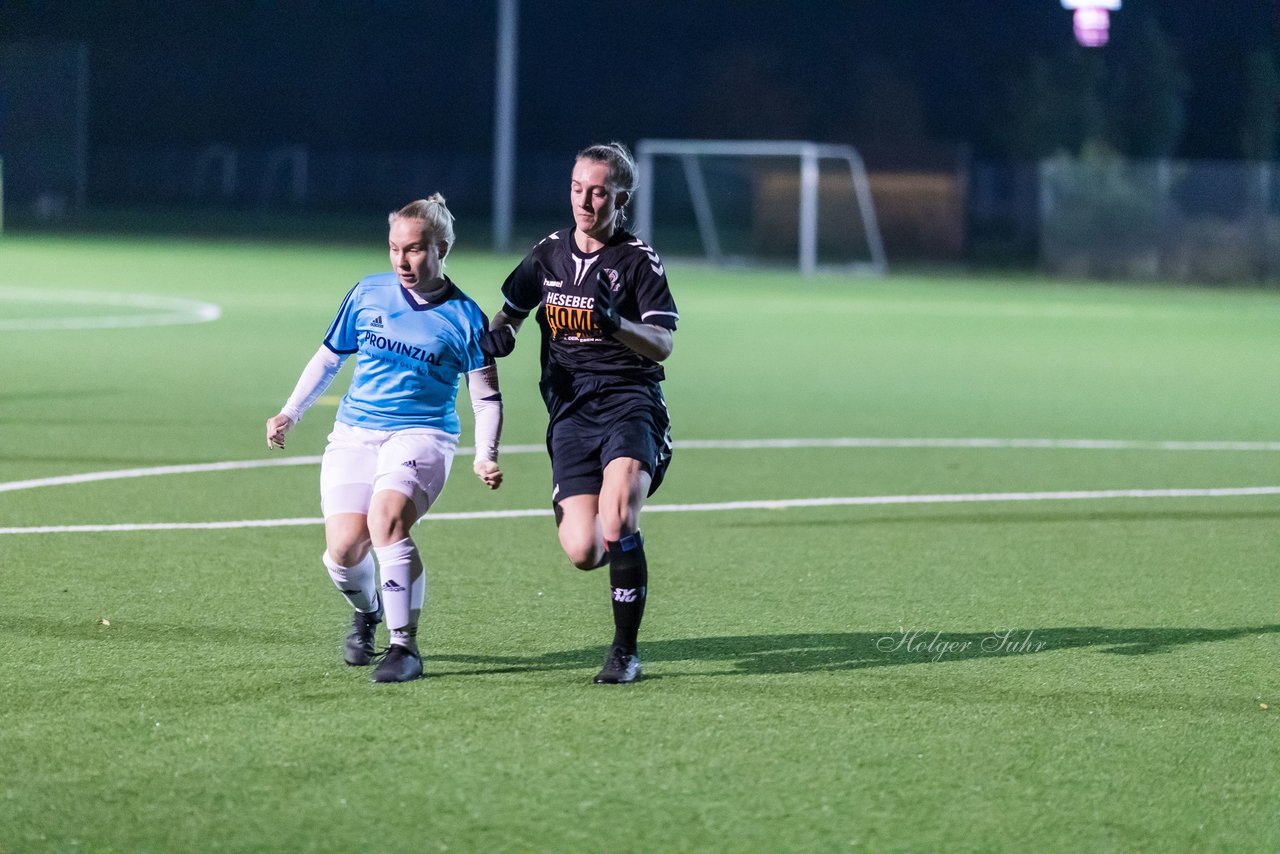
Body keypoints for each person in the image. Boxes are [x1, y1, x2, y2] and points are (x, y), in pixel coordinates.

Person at [265, 194, 503, 684]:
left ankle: (405, 646)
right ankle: (368, 611)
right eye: (395, 248)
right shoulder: (368, 293)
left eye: (414, 249)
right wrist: (290, 411)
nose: (402, 260)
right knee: (344, 552)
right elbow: (330, 357)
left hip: (423, 435)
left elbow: (485, 399)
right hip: (355, 432)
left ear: (441, 249)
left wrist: (486, 455)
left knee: (387, 520)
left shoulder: (465, 317)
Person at [483, 142, 677, 684]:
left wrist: (617, 325)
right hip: (570, 410)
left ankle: (625, 651)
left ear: (621, 197)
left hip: (629, 400)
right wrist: (501, 334)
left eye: (597, 192)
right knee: (585, 550)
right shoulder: (547, 255)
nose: (585, 202)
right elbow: (510, 312)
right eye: (577, 189)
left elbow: (662, 344)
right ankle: (581, 505)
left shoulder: (639, 260)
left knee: (618, 519)